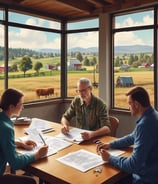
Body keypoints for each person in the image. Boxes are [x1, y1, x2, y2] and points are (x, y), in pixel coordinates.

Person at [97, 86, 158, 184]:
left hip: (146, 179)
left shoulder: (145, 125)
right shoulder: (152, 115)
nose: (128, 107)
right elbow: (133, 137)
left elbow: (133, 165)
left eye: (129, 103)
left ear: (136, 104)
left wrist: (109, 158)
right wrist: (111, 144)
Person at [0, 88, 48, 176]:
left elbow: (3, 143)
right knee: (30, 181)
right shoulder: (6, 129)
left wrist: (21, 144)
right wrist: (38, 154)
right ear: (11, 107)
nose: (23, 107)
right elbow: (15, 163)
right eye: (21, 104)